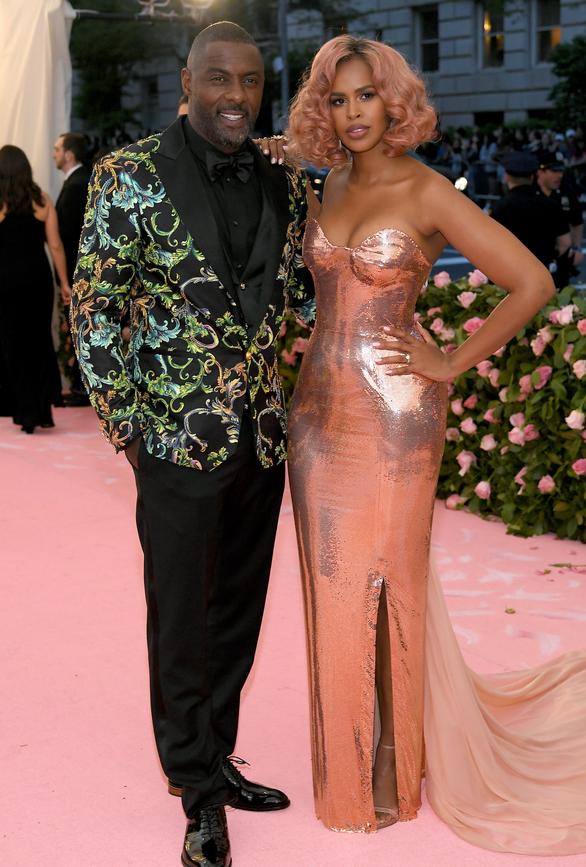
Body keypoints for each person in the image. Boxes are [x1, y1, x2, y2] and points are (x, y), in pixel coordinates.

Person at [286, 34, 586, 853]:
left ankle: (392, 773)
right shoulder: (328, 184)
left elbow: (534, 281)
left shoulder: (427, 191)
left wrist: (449, 359)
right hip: (314, 416)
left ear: (394, 101)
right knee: (331, 590)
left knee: (389, 588)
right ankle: (344, 777)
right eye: (337, 100)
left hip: (394, 420)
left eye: (365, 97)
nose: (351, 114)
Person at [70, 22, 315, 867]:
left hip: (262, 441)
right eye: (219, 78)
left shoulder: (285, 181)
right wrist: (130, 427)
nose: (237, 96)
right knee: (180, 619)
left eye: (249, 81)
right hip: (173, 442)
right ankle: (197, 795)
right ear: (187, 79)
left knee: (236, 613)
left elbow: (302, 300)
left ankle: (216, 755)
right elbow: (95, 308)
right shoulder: (130, 174)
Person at [0, 145, 70, 433]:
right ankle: (39, 410)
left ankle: (20, 407)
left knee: (11, 343)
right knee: (39, 341)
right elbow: (55, 245)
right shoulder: (41, 200)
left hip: (4, 282)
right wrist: (64, 282)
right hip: (37, 280)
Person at [53, 131, 91, 406]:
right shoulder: (76, 181)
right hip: (75, 274)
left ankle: (82, 389)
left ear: (69, 154)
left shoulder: (77, 184)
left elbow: (71, 235)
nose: (53, 153)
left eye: (57, 149)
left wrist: (68, 279)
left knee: (80, 330)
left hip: (77, 274)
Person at [490, 151, 570, 272]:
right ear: (533, 176)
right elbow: (565, 242)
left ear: (507, 177)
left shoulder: (500, 207)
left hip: (510, 271)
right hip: (542, 269)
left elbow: (490, 244)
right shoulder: (551, 205)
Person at [535, 150, 584, 288]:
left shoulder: (566, 193)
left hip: (561, 254)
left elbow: (577, 222)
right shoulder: (530, 193)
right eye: (554, 171)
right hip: (535, 253)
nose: (559, 175)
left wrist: (577, 248)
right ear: (541, 171)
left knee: (561, 291)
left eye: (561, 171)